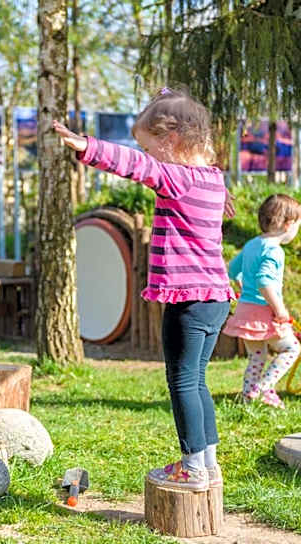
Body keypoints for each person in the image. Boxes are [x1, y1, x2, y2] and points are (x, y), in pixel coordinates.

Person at [52, 87, 234, 492]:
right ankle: (208, 461)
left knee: (183, 381)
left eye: (152, 147)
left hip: (188, 301)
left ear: (171, 140)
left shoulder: (177, 177)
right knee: (197, 379)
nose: (150, 155)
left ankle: (191, 467)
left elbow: (133, 166)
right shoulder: (212, 179)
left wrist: (87, 146)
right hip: (216, 299)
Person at [223, 194, 301, 409]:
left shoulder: (252, 244)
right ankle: (264, 388)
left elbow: (233, 269)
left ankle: (249, 395)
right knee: (291, 348)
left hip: (245, 311)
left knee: (257, 356)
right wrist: (280, 310)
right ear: (288, 225)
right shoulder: (275, 250)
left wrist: (242, 285)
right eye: (297, 226)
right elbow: (264, 280)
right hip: (263, 312)